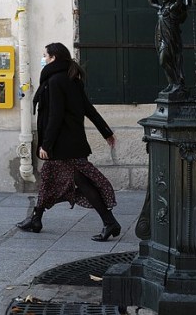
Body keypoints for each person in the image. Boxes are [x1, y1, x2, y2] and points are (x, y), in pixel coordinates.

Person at [16, 42, 121, 241]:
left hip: (63, 144)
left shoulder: (55, 81)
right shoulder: (71, 78)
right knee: (51, 178)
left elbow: (55, 115)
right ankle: (36, 219)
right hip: (72, 142)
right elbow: (88, 108)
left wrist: (46, 144)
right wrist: (106, 131)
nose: (43, 59)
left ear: (54, 57)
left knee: (78, 181)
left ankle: (109, 222)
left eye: (45, 56)